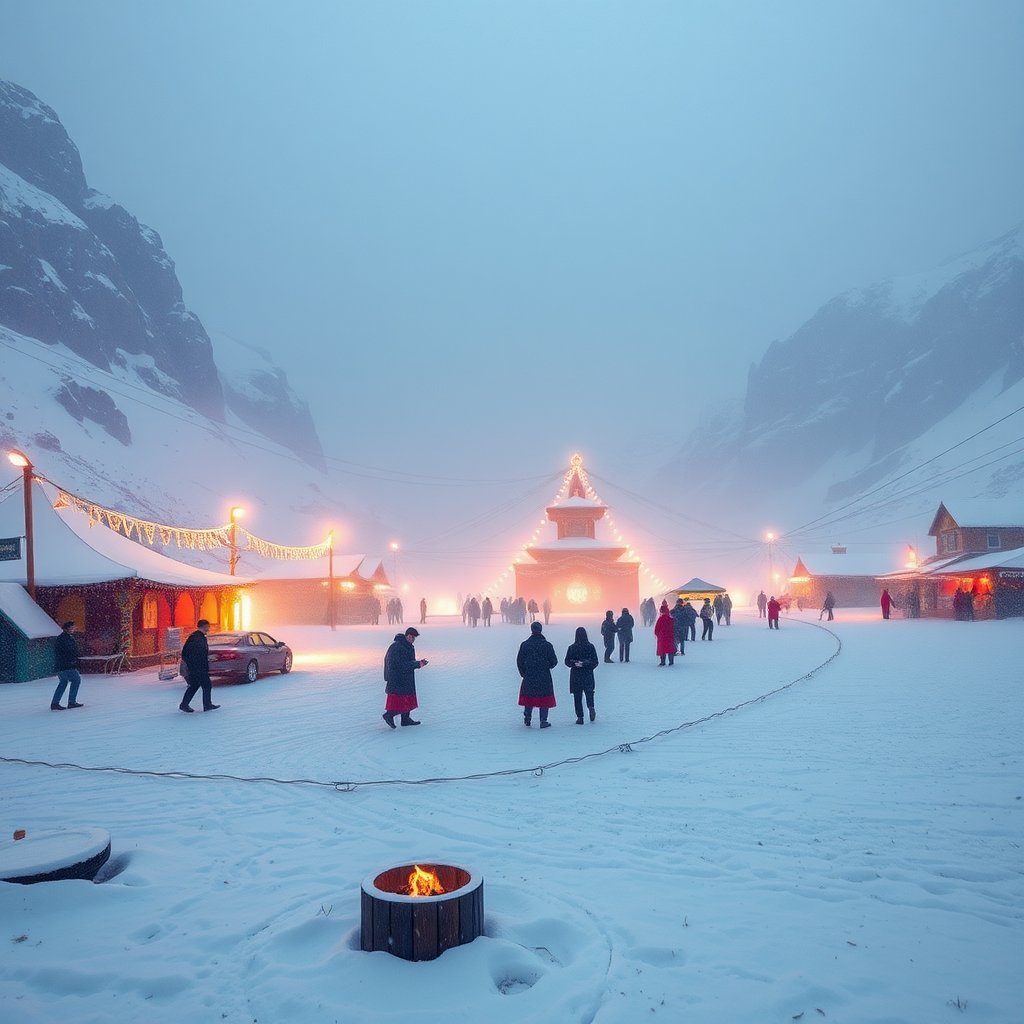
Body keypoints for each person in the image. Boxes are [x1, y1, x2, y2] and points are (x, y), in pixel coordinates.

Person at [383, 627, 428, 727]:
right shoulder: (396, 647)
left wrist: (418, 663)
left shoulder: (409, 647)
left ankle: (405, 719)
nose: (412, 639)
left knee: (408, 698)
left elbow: (409, 662)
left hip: (406, 676)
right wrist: (417, 664)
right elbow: (399, 664)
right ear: (406, 636)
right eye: (411, 637)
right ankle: (389, 715)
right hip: (397, 678)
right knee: (399, 700)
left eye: (414, 638)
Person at [517, 621, 558, 727]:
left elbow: (519, 661)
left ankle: (527, 717)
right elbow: (554, 661)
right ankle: (543, 720)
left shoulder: (525, 645)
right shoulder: (547, 645)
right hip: (543, 675)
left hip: (529, 674)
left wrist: (524, 673)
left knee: (529, 696)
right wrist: (546, 666)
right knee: (544, 697)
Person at [180, 619, 219, 712]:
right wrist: (195, 663)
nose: (209, 629)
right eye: (208, 626)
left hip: (197, 666)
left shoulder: (197, 637)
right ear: (203, 626)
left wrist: (207, 658)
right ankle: (207, 705)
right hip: (198, 667)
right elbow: (190, 653)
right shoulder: (197, 638)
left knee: (195, 685)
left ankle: (184, 704)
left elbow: (191, 653)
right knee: (206, 685)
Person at [565, 626, 599, 724]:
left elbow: (567, 661)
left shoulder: (572, 648)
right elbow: (595, 662)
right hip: (587, 674)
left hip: (576, 675)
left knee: (577, 697)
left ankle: (580, 717)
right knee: (589, 693)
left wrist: (574, 663)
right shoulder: (590, 647)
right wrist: (585, 664)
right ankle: (591, 707)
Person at [51, 620, 83, 710]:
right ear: (67, 628)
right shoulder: (65, 639)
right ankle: (72, 702)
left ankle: (55, 703)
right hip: (67, 665)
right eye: (72, 627)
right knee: (76, 680)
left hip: (62, 665)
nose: (74, 629)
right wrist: (72, 661)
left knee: (63, 682)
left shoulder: (64, 638)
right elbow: (68, 651)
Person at [654, 600, 676, 666]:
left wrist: (658, 634)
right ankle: (671, 661)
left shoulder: (660, 619)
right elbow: (673, 628)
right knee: (670, 649)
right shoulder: (670, 619)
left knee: (662, 649)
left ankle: (663, 662)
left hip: (662, 636)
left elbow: (657, 629)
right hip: (669, 636)